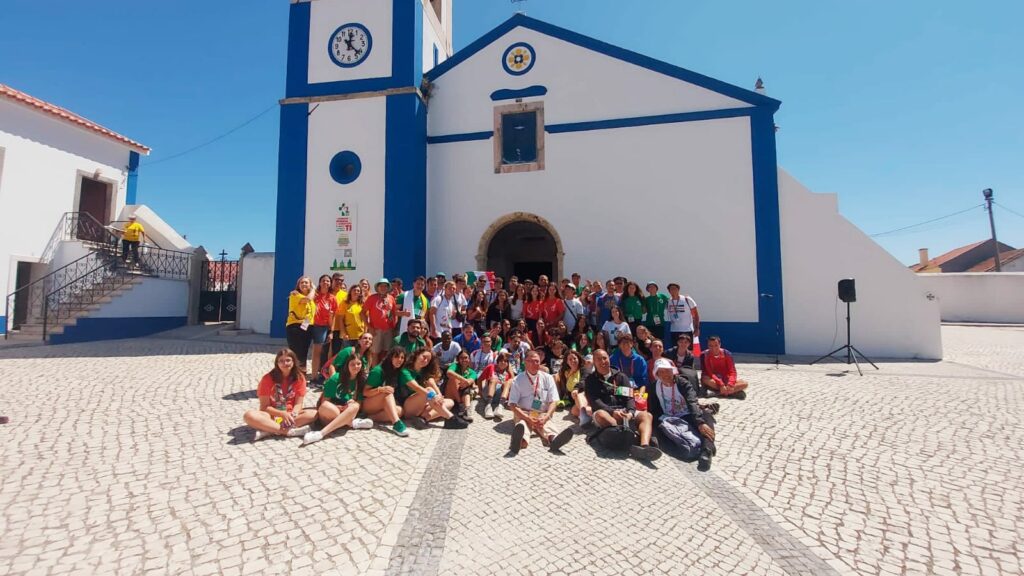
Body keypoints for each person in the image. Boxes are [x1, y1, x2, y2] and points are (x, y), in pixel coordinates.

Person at [584, 349, 661, 461]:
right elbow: (595, 401)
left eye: (605, 358)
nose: (603, 361)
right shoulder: (591, 380)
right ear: (594, 362)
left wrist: (630, 412)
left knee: (647, 416)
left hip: (624, 411)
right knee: (601, 415)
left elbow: (629, 397)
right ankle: (628, 437)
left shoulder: (621, 377)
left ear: (609, 359)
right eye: (598, 359)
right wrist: (612, 412)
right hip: (606, 412)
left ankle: (644, 447)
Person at [650, 359, 715, 471]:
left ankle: (706, 451)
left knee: (706, 417)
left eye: (668, 371)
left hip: (687, 414)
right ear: (657, 374)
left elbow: (692, 402)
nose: (665, 374)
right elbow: (653, 409)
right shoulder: (653, 387)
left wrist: (700, 422)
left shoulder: (682, 383)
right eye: (661, 372)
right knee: (654, 423)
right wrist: (660, 419)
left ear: (673, 371)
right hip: (668, 417)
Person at [507, 350, 575, 454]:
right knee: (523, 423)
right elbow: (512, 405)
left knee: (547, 423)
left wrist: (547, 416)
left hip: (542, 412)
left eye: (537, 361)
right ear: (525, 362)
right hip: (524, 412)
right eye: (531, 361)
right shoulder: (518, 380)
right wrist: (527, 418)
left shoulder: (548, 378)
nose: (535, 364)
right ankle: (520, 442)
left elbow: (554, 401)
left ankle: (554, 440)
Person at [243, 349, 317, 441]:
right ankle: (288, 432)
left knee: (314, 414)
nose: (285, 363)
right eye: (281, 361)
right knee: (248, 415)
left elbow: (298, 404)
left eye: (288, 360)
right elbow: (264, 407)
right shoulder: (267, 379)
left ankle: (269, 430)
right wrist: (282, 414)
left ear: (294, 361)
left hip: (290, 416)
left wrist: (292, 414)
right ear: (277, 363)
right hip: (270, 415)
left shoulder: (300, 378)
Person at [301, 353, 375, 445]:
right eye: (352, 364)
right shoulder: (336, 378)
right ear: (347, 365)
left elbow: (359, 402)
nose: (356, 367)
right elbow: (324, 402)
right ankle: (351, 423)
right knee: (329, 408)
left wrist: (353, 402)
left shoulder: (361, 380)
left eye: (358, 364)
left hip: (346, 412)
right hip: (330, 412)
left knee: (355, 406)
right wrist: (339, 407)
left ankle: (321, 433)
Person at [400, 348, 458, 428]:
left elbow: (431, 383)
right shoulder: (405, 371)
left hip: (421, 407)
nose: (425, 360)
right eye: (424, 357)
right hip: (407, 407)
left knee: (450, 402)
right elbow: (417, 388)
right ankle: (451, 418)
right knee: (429, 391)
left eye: (428, 360)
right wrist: (434, 396)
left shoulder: (423, 373)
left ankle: (423, 418)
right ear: (417, 355)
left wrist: (439, 395)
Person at [362, 348, 411, 437]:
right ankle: (396, 423)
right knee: (387, 392)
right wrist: (380, 389)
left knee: (400, 411)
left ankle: (369, 418)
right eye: (396, 356)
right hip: (368, 403)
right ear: (390, 357)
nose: (399, 360)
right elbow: (365, 392)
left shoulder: (397, 370)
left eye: (402, 357)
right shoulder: (378, 371)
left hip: (381, 404)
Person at [285, 276, 315, 377]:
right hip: (295, 326)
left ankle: (301, 376)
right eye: (302, 283)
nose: (304, 284)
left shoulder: (312, 298)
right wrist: (314, 289)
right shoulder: (295, 294)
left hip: (307, 326)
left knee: (303, 353)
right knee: (295, 353)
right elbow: (306, 299)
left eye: (306, 283)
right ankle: (292, 375)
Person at [362, 278, 396, 367]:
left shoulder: (391, 298)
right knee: (375, 352)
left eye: (385, 286)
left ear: (388, 287)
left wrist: (392, 324)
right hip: (376, 330)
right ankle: (374, 373)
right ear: (378, 287)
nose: (383, 288)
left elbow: (393, 313)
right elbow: (362, 313)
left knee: (386, 352)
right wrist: (369, 327)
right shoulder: (372, 298)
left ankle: (383, 371)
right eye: (381, 286)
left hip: (388, 330)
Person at [310, 275, 337, 380]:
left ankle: (318, 375)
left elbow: (333, 317)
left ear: (330, 283)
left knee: (321, 352)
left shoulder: (332, 298)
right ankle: (313, 376)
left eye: (328, 281)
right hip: (311, 325)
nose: (326, 282)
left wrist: (331, 331)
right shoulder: (315, 295)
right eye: (323, 281)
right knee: (314, 352)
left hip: (323, 327)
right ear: (320, 282)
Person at [555, 349, 591, 425]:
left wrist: (576, 388)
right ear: (567, 361)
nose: (573, 361)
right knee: (574, 411)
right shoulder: (565, 373)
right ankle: (590, 415)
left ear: (578, 359)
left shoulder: (584, 369)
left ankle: (585, 416)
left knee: (579, 395)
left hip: (584, 395)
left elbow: (584, 381)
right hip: (573, 400)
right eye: (570, 359)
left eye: (575, 358)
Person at [445, 350, 479, 422]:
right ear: (458, 359)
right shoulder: (455, 365)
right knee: (453, 379)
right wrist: (463, 379)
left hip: (463, 392)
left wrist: (467, 382)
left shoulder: (472, 372)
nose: (464, 360)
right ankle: (461, 404)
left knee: (469, 389)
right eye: (461, 358)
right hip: (451, 393)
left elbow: (470, 381)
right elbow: (449, 373)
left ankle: (466, 410)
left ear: (469, 359)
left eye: (466, 358)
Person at [479, 351, 514, 419]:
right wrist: (480, 391)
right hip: (488, 392)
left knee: (508, 382)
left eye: (505, 361)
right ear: (497, 362)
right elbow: (480, 379)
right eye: (501, 361)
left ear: (508, 364)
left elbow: (514, 381)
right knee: (494, 379)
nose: (503, 362)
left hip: (499, 397)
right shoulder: (491, 367)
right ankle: (488, 406)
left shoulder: (507, 372)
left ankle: (500, 406)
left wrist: (510, 370)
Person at [329, 273, 349, 356]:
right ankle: (322, 368)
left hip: (340, 328)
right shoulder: (327, 292)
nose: (339, 282)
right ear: (332, 280)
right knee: (324, 351)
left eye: (341, 280)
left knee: (336, 352)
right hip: (326, 327)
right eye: (336, 279)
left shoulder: (346, 295)